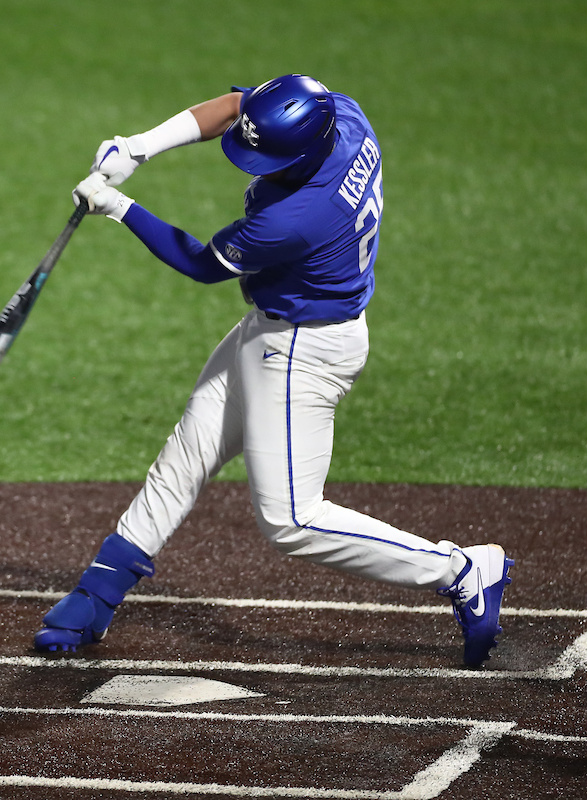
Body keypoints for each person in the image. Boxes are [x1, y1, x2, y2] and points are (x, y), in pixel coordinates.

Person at [34, 74, 513, 668]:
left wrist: (118, 206)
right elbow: (238, 106)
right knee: (188, 455)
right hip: (276, 328)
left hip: (302, 352)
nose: (252, 160)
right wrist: (138, 146)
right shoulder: (342, 115)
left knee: (291, 519)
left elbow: (201, 264)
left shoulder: (297, 218)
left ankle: (462, 570)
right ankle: (96, 595)